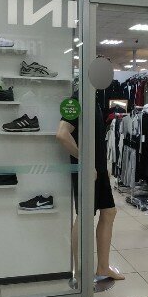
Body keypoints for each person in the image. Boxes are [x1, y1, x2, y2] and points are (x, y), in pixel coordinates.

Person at [56, 95, 124, 282]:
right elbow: (62, 134)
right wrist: (85, 162)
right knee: (84, 217)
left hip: (98, 169)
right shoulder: (78, 99)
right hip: (87, 170)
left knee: (109, 212)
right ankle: (79, 272)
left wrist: (103, 166)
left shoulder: (93, 98)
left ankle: (103, 267)